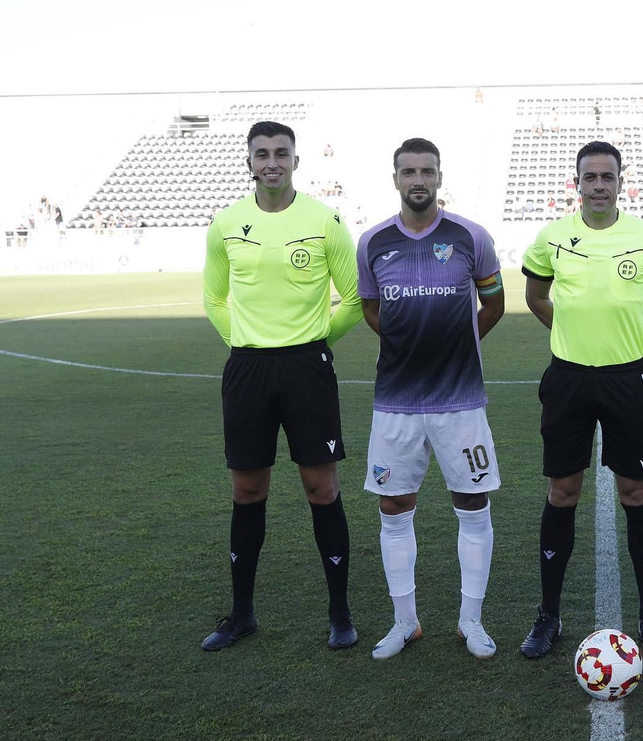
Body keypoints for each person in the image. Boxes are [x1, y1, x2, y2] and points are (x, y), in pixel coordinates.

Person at [519, 140, 643, 660]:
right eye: (589, 177)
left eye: (607, 177)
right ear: (577, 183)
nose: (598, 185)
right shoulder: (553, 237)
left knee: (635, 492)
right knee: (562, 493)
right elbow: (535, 295)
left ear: (621, 182)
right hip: (568, 378)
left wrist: (639, 336)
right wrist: (567, 331)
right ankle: (548, 615)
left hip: (626, 379)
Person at [199, 121, 365, 652]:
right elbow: (214, 298)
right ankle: (241, 614)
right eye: (262, 153)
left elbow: (356, 298)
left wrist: (315, 341)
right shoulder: (225, 223)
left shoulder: (324, 220)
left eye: (281, 153)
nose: (272, 161)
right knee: (247, 491)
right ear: (249, 161)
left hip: (306, 370)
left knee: (323, 488)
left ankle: (340, 613)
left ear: (297, 160)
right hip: (247, 369)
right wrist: (244, 341)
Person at [357, 138, 506, 661]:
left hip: (460, 403)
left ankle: (471, 620)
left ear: (440, 177)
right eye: (408, 171)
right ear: (395, 178)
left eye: (427, 171)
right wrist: (408, 346)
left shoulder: (471, 236)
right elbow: (372, 309)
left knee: (472, 504)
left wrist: (457, 345)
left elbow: (493, 304)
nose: (417, 179)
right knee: (394, 508)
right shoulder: (372, 242)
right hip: (396, 404)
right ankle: (405, 622)